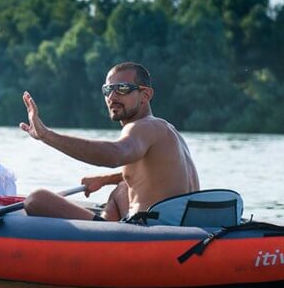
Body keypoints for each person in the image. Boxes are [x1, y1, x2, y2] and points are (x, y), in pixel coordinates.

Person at [20, 61, 199, 221]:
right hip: (184, 228)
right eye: (108, 90)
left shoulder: (141, 127)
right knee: (121, 189)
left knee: (37, 199)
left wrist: (46, 135)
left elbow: (114, 155)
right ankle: (105, 225)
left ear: (145, 95)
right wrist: (104, 180)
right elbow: (155, 173)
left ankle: (102, 235)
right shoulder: (168, 131)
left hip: (152, 235)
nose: (112, 97)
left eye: (122, 88)